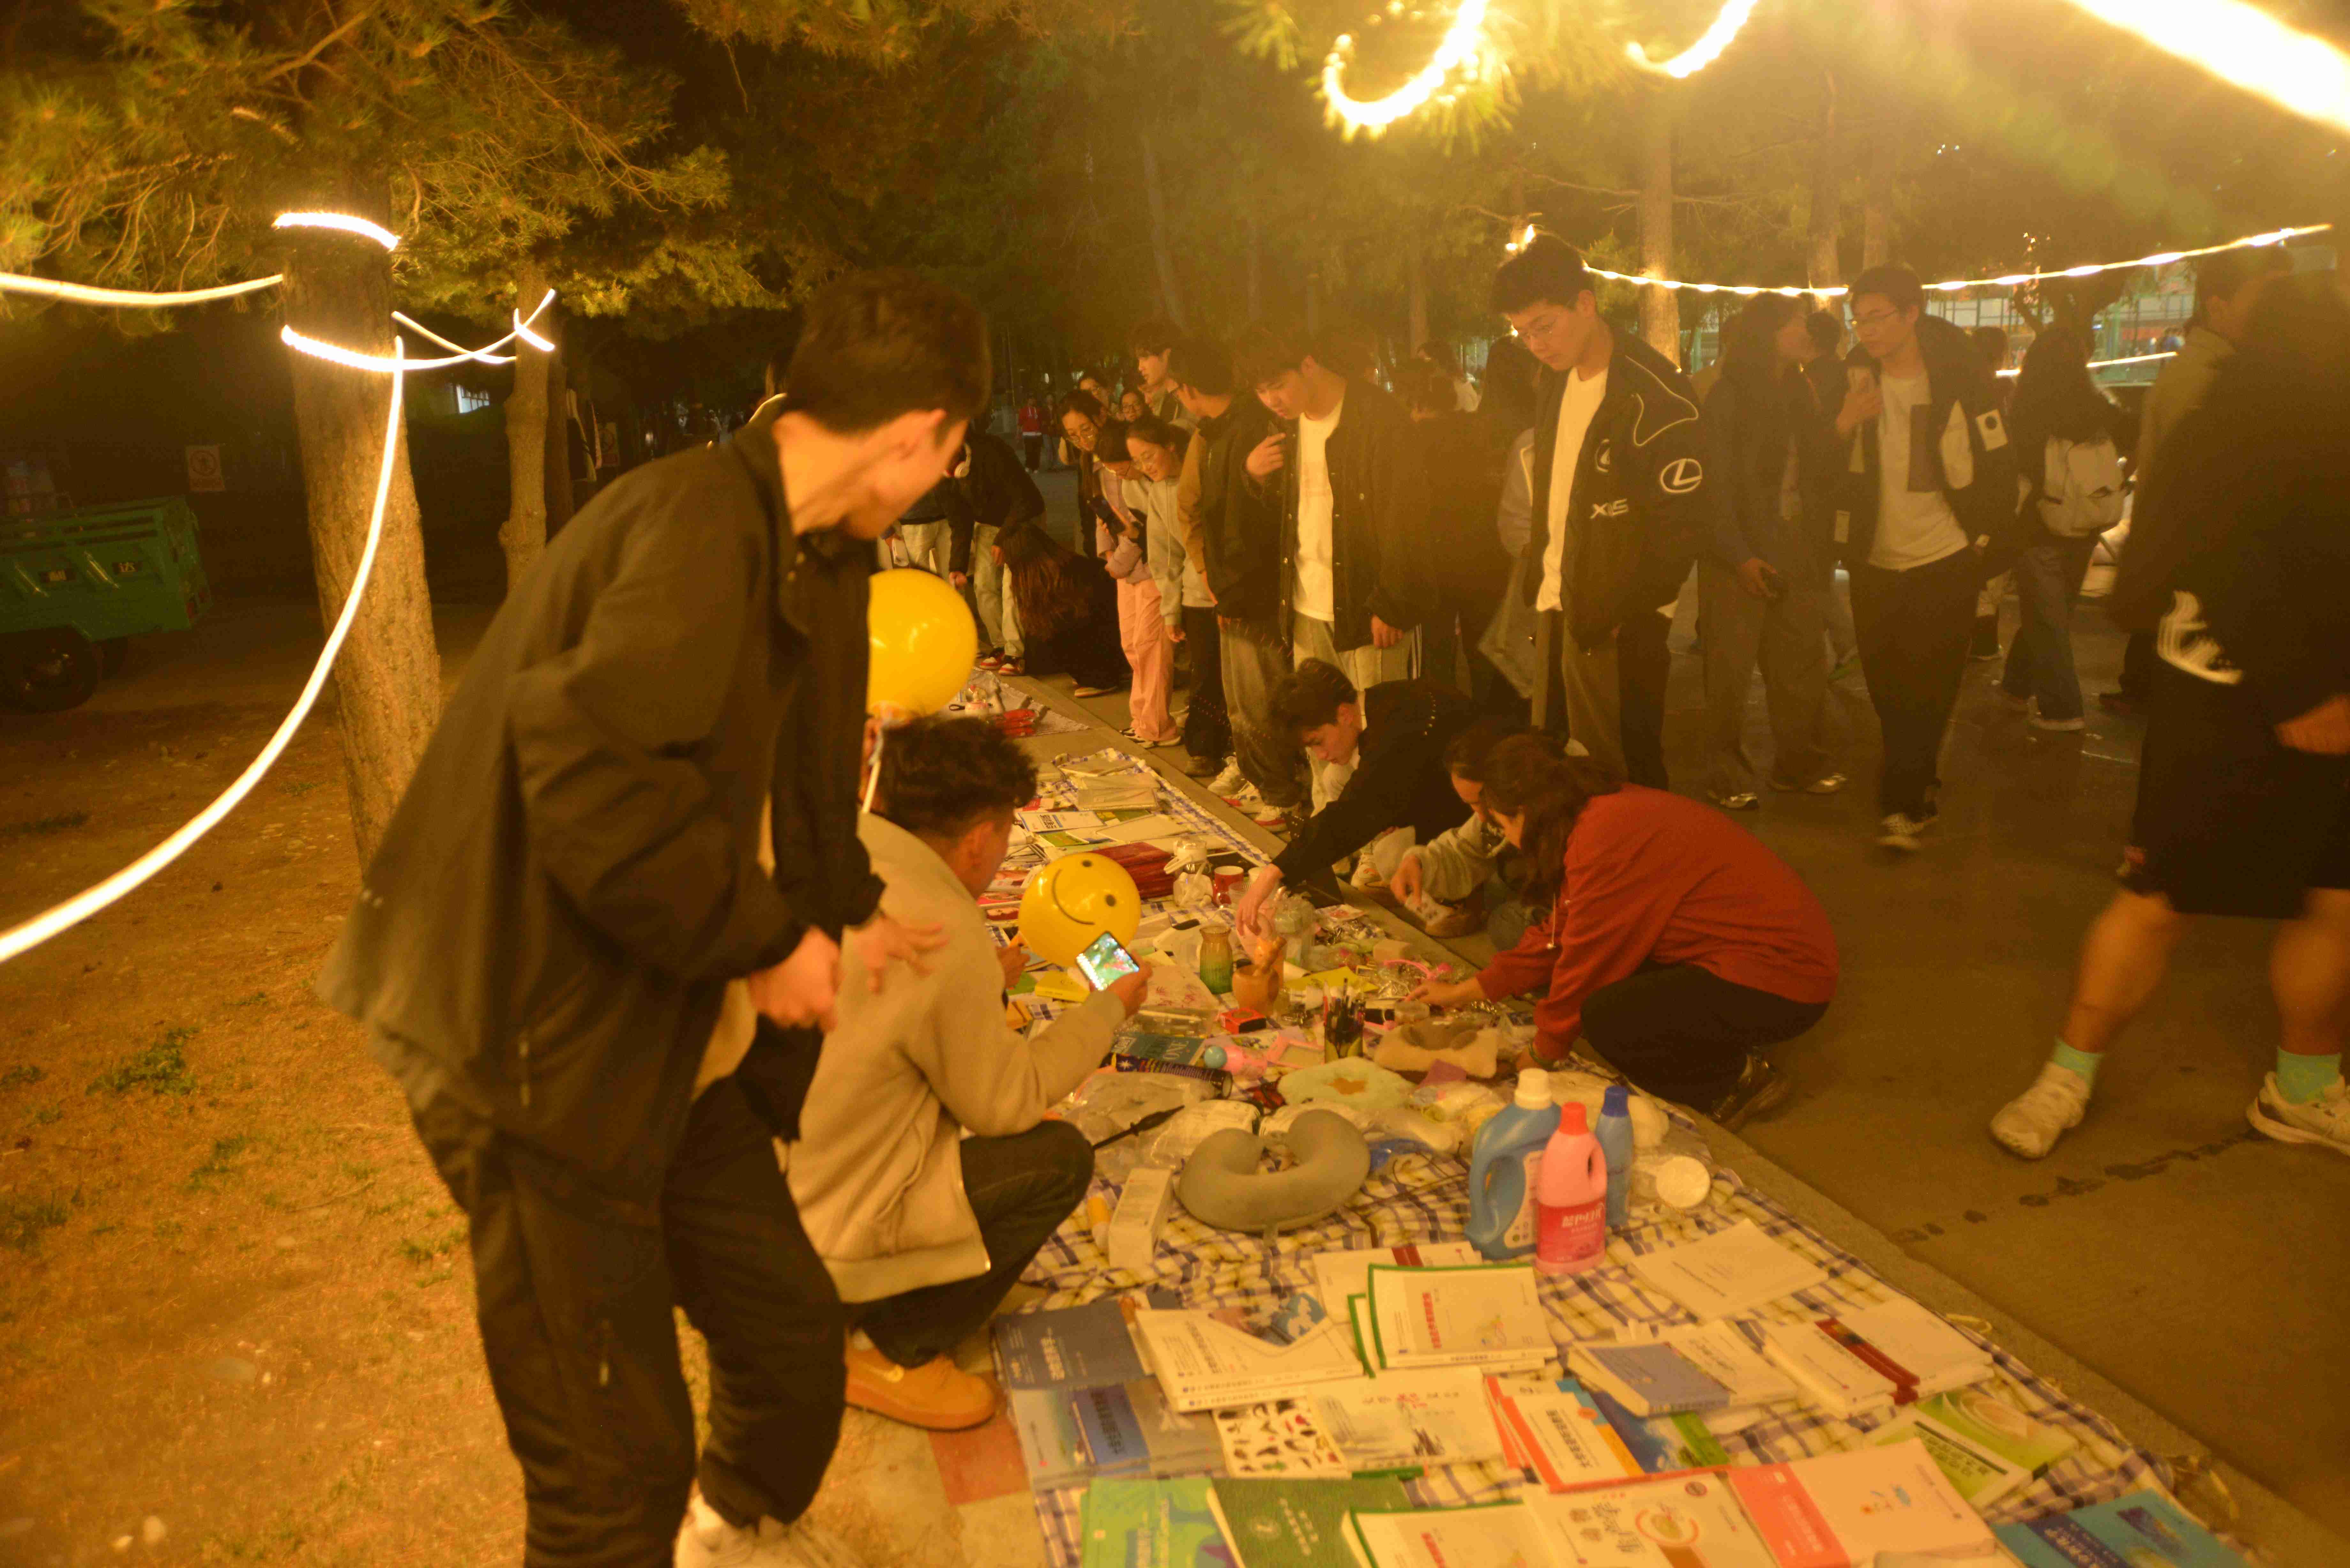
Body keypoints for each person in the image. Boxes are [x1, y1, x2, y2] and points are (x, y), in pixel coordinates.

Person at [315, 269, 975, 1568]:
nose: (942, 481)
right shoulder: (695, 524)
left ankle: (732, 1533)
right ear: (918, 436)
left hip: (671, 1041)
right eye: (949, 457)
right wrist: (766, 942)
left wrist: (842, 912)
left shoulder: (821, 549)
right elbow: (589, 778)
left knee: (789, 1338)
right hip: (538, 1051)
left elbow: (798, 771)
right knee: (614, 1468)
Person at [1990, 272, 2350, 1161]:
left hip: (2275, 696)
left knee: (2333, 901)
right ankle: (2068, 1073)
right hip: (2246, 702)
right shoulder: (2272, 424)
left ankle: (2304, 1087)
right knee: (2159, 897)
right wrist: (2300, 693)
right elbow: (2220, 562)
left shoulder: (2233, 411)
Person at [791, 718, 1147, 1430]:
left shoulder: (825, 849)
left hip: (747, 1198)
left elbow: (885, 1006)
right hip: (826, 1228)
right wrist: (1108, 1007)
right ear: (981, 837)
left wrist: (982, 977)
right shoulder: (939, 925)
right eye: (1008, 833)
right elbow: (1005, 1103)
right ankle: (887, 1346)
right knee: (1055, 1154)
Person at [1408, 737, 1838, 1128]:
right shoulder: (1589, 813)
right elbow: (1561, 933)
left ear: (1526, 811)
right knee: (1587, 989)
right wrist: (1465, 992)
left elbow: (1585, 964)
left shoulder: (1603, 838)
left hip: (1785, 978)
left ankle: (1737, 1081)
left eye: (1503, 826)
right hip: (1753, 955)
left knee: (1608, 1018)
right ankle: (1720, 1040)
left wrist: (1539, 1056)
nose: (1509, 839)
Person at [1490, 234, 1708, 788]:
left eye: (1544, 326)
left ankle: (1643, 847)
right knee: (1562, 762)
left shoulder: (1654, 394)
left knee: (1621, 770)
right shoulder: (1555, 379)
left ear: (1585, 304)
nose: (1535, 344)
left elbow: (1681, 525)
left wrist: (1626, 609)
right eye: (1522, 333)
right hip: (1557, 599)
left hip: (1619, 617)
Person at [1830, 264, 2017, 851]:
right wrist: (1844, 424)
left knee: (1931, 685)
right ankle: (1913, 776)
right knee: (1887, 688)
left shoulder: (1959, 379)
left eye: (1878, 317)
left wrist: (1982, 541)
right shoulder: (1851, 380)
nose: (1867, 330)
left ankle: (1905, 802)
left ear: (1912, 314)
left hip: (1945, 556)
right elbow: (1818, 468)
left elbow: (1999, 462)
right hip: (1873, 560)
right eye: (1858, 319)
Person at [1231, 320, 1435, 817]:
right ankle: (1330, 833)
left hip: (1368, 608)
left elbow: (1408, 515)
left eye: (1277, 385)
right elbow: (1293, 516)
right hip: (1307, 603)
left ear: (1308, 365)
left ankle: (1381, 840)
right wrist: (1253, 476)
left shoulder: (1377, 417)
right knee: (1318, 734)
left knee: (1377, 732)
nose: (1272, 400)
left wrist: (1393, 601)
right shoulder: (1289, 426)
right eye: (1260, 391)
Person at [2102, 247, 2294, 716]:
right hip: (2206, 588)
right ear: (2219, 307)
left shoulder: (2233, 373)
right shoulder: (2207, 382)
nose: (2280, 309)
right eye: (2266, 296)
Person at [1698, 295, 1848, 811]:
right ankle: (1724, 773)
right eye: (1796, 322)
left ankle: (1797, 763)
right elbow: (1714, 486)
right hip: (1736, 552)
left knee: (1801, 661)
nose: (1808, 330)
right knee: (1730, 672)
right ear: (1767, 333)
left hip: (1795, 544)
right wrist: (1738, 555)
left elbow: (1816, 467)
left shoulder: (1800, 387)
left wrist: (1847, 419)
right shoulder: (1729, 396)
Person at [1234, 659, 1478, 936]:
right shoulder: (1377, 704)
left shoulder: (1395, 736)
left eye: (1318, 742)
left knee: (1390, 857)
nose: (1320, 755)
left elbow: (1349, 817)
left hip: (1469, 814)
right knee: (1334, 777)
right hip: (1436, 786)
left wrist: (1275, 873)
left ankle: (1458, 899)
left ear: (1345, 714)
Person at [1177, 336, 1297, 828]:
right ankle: (1262, 778)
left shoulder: (1248, 426)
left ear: (1187, 389)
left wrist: (1227, 584)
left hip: (1253, 588)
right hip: (1232, 583)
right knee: (1244, 702)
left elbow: (1250, 520)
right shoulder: (1220, 430)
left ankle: (1282, 792)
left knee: (1262, 698)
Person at [1994, 327, 2127, 733]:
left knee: (2047, 618)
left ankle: (2063, 710)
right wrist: (2114, 483)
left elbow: (2017, 470)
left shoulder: (2026, 410)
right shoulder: (2096, 406)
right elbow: (2135, 432)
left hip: (2038, 526)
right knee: (2050, 614)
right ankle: (2016, 687)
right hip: (2085, 525)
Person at [1398, 362, 1514, 709]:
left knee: (1437, 650)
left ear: (1418, 406)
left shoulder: (1412, 445)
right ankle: (1493, 719)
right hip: (1485, 558)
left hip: (1435, 564)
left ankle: (1444, 716)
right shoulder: (1483, 434)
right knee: (1483, 647)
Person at [1388, 718, 1547, 943]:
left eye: (1483, 803)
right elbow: (1465, 850)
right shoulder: (1495, 814)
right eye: (1471, 806)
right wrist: (1420, 864)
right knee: (1497, 893)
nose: (1481, 816)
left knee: (1506, 921)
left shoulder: (1560, 817)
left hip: (1569, 910)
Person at [1129, 415, 1228, 775]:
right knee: (1206, 674)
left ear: (1171, 447)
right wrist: (1171, 612)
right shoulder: (1159, 492)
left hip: (1232, 588)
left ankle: (1243, 753)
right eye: (1138, 461)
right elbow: (1165, 557)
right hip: (1196, 596)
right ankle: (1206, 749)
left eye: (1149, 456)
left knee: (1241, 678)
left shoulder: (1205, 474)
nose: (1145, 467)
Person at [1094, 420, 1180, 745]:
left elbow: (1159, 539)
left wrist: (1119, 559)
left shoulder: (1159, 482)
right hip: (1130, 567)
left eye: (1124, 467)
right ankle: (1143, 719)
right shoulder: (1127, 483)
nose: (1121, 474)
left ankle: (1157, 726)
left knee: (1151, 647)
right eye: (1112, 469)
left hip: (1155, 571)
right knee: (1133, 646)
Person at [944, 427, 1044, 667]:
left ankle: (1016, 653)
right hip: (989, 523)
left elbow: (1023, 499)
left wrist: (1003, 539)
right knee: (983, 585)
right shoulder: (941, 476)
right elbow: (960, 523)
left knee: (1012, 586)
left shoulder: (992, 450)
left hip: (1022, 517)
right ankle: (1000, 645)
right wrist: (957, 566)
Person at [996, 522, 1130, 694]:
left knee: (1054, 630)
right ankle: (1104, 669)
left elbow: (1088, 622)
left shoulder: (1062, 575)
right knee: (1043, 645)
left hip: (1112, 629)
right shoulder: (1056, 569)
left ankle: (1105, 673)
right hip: (1109, 628)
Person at [1801, 310, 1861, 678]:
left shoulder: (1811, 381)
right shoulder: (1844, 375)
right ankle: (1842, 644)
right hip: (1843, 489)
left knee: (1812, 574)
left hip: (1818, 492)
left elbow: (1812, 442)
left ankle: (1845, 643)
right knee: (1818, 572)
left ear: (1810, 340)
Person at [1968, 325, 2017, 663]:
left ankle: (1976, 641)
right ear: (2000, 356)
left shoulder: (1959, 389)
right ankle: (1984, 644)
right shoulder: (1996, 395)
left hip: (1966, 495)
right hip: (1991, 497)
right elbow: (1999, 456)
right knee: (1989, 574)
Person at [1131, 318, 1196, 428]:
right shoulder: (1164, 402)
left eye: (1145, 357)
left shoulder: (1195, 394)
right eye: (1139, 360)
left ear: (1167, 354)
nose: (1140, 367)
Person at [1018, 395, 1045, 471]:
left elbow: (1042, 422)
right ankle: (1028, 466)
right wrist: (1018, 434)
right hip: (1028, 435)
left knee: (1037, 452)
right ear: (1028, 400)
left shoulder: (1038, 410)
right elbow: (1020, 423)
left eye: (1034, 400)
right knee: (1029, 452)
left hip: (1038, 434)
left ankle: (1036, 467)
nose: (1032, 401)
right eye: (1031, 399)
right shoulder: (1024, 410)